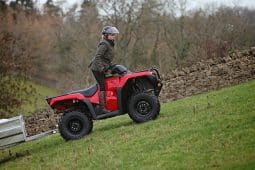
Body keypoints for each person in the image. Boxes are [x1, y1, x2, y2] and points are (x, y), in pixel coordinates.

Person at [90, 26, 119, 113]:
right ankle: (102, 108)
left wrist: (112, 66)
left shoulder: (110, 43)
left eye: (114, 34)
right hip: (97, 68)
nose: (114, 36)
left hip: (104, 66)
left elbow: (106, 58)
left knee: (109, 83)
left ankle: (111, 103)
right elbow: (98, 57)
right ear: (106, 35)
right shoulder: (104, 44)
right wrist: (101, 68)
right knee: (102, 86)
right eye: (112, 34)